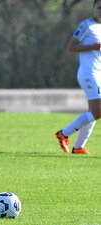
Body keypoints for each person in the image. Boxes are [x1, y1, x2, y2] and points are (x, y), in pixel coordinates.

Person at [56, 0, 101, 155]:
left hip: (98, 74)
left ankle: (79, 147)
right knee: (98, 111)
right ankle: (64, 133)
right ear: (94, 8)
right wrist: (92, 47)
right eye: (99, 7)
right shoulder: (86, 26)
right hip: (89, 74)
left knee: (93, 112)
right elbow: (71, 47)